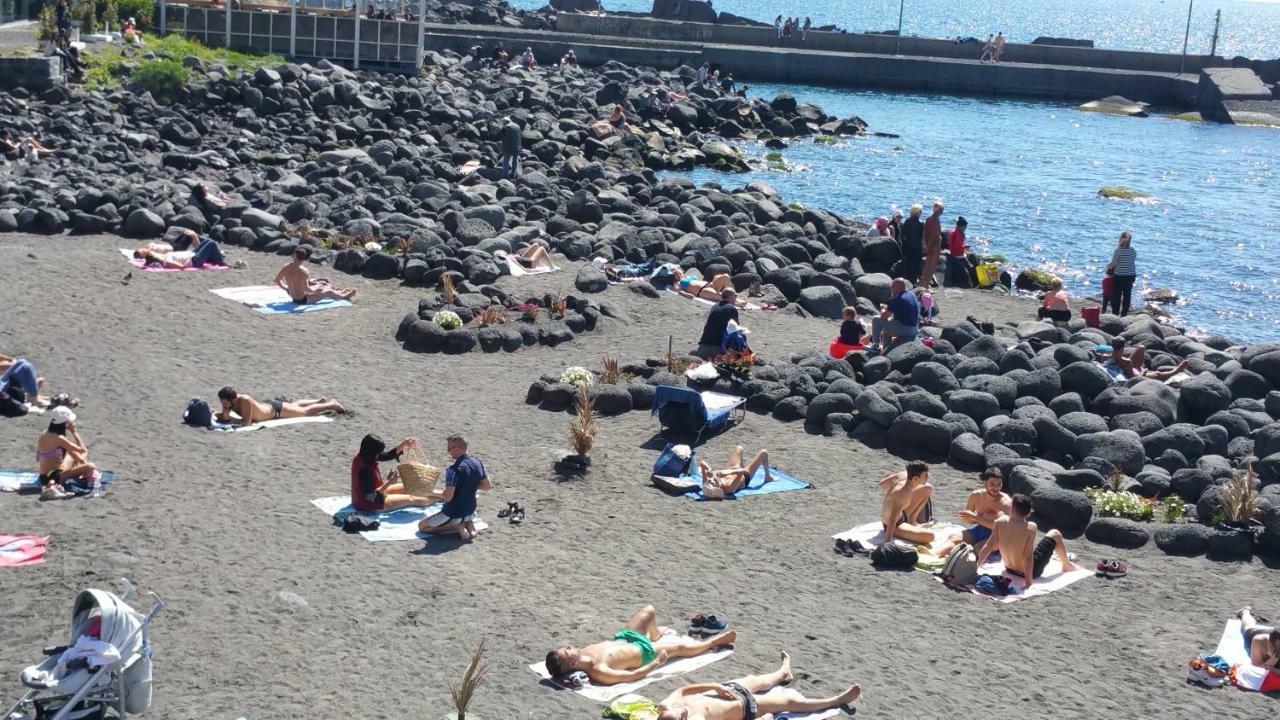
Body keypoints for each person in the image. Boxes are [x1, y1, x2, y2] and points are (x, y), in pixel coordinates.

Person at [544, 605, 737, 686]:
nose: (569, 645)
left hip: (626, 637)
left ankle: (655, 634)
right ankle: (715, 640)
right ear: (571, 664)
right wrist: (656, 663)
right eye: (567, 651)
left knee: (649, 610)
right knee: (680, 648)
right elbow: (632, 676)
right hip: (643, 652)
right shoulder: (598, 670)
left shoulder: (583, 652)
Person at [654, 651, 860, 720]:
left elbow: (683, 689)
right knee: (788, 701)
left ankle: (783, 671)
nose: (683, 712)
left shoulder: (665, 707)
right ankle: (836, 700)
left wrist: (715, 686)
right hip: (744, 705)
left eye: (679, 711)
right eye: (682, 717)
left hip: (727, 688)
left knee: (756, 678)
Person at [974, 494, 1078, 588]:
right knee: (1055, 533)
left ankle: (1066, 564)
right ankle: (1066, 565)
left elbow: (989, 546)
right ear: (1028, 513)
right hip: (1031, 572)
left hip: (1008, 568)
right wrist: (1029, 582)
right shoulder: (1030, 527)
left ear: (1012, 509)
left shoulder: (1000, 521)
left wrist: (976, 567)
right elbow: (1027, 556)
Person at [418, 435, 491, 541]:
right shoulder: (478, 463)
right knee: (467, 519)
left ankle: (455, 527)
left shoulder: (453, 470)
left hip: (453, 512)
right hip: (470, 509)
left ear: (456, 448)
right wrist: (469, 487)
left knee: (422, 526)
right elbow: (487, 486)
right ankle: (470, 529)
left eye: (449, 449)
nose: (448, 452)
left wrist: (431, 492)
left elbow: (448, 497)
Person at [934, 468, 1012, 558]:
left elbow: (1001, 528)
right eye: (992, 484)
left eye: (999, 484)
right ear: (985, 482)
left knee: (978, 549)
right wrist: (966, 517)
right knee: (953, 538)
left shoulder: (1005, 502)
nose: (996, 488)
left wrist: (976, 517)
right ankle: (932, 556)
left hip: (999, 535)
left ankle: (957, 561)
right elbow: (969, 521)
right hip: (980, 529)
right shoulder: (976, 496)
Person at [351, 435, 440, 512]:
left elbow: (388, 455)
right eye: (378, 453)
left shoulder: (363, 455)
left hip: (375, 492)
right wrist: (389, 482)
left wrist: (404, 443)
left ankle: (443, 494)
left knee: (412, 486)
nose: (379, 455)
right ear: (373, 452)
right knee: (412, 498)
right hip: (370, 504)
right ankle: (442, 499)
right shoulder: (365, 471)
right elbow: (371, 497)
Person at [36, 407, 99, 501]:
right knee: (90, 465)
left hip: (45, 474)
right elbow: (83, 450)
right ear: (65, 423)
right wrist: (74, 431)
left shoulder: (44, 433)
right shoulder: (59, 438)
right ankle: (52, 486)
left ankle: (53, 485)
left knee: (73, 455)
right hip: (53, 476)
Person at [215, 386, 346, 427]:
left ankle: (331, 404)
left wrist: (229, 418)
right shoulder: (229, 403)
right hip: (271, 407)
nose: (223, 405)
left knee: (305, 412)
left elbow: (246, 423)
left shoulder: (245, 400)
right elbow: (223, 416)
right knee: (295, 405)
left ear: (232, 399)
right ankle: (319, 400)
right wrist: (218, 414)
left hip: (277, 411)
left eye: (224, 402)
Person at [877, 461, 935, 545]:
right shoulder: (904, 493)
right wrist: (887, 542)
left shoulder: (903, 475)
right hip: (894, 524)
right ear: (915, 479)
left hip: (901, 513)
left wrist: (891, 496)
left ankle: (912, 520)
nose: (927, 477)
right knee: (930, 536)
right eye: (925, 476)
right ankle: (904, 528)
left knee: (928, 488)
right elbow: (892, 519)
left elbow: (882, 484)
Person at [274, 246, 357, 304]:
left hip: (292, 296)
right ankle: (345, 296)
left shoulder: (286, 267)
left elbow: (277, 280)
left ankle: (341, 292)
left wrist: (287, 289)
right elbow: (307, 289)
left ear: (294, 256)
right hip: (302, 300)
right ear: (303, 258)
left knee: (318, 283)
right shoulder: (304, 271)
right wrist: (317, 290)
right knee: (328, 292)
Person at [696, 445, 770, 499]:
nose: (711, 479)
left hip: (732, 469)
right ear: (717, 487)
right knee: (764, 453)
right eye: (712, 482)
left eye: (709, 481)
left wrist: (708, 469)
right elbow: (741, 471)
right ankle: (768, 476)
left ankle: (732, 468)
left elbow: (702, 463)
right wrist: (725, 472)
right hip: (744, 476)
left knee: (739, 448)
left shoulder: (707, 483)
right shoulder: (729, 489)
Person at [868, 278, 919, 352]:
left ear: (895, 288)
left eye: (892, 287)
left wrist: (882, 308)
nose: (891, 289)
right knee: (887, 330)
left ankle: (875, 345)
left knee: (876, 319)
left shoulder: (898, 299)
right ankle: (886, 351)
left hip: (906, 329)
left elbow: (884, 316)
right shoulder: (911, 294)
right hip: (915, 328)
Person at [133, 231, 226, 269]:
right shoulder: (166, 260)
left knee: (208, 241)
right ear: (155, 257)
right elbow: (182, 266)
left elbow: (148, 260)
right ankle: (221, 261)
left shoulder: (163, 257)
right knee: (211, 243)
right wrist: (188, 259)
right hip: (194, 260)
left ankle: (215, 257)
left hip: (191, 254)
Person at [696, 288, 742, 358]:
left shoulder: (715, 306)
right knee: (739, 336)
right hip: (717, 348)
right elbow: (736, 327)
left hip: (703, 346)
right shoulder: (731, 309)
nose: (736, 298)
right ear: (730, 296)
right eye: (735, 296)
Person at [1107, 230, 1137, 316]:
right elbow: (1131, 261)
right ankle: (1124, 313)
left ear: (1121, 239)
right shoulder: (1133, 250)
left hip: (1119, 275)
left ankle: (1115, 312)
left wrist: (1107, 266)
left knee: (1117, 295)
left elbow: (1114, 263)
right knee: (1127, 295)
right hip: (1131, 275)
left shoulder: (1118, 250)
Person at [919, 200, 944, 288]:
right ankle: (925, 285)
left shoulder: (929, 219)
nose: (942, 212)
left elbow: (925, 233)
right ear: (937, 210)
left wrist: (925, 244)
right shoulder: (935, 220)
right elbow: (934, 236)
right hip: (934, 246)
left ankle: (923, 283)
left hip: (930, 244)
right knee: (931, 267)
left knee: (927, 265)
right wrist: (928, 246)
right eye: (941, 210)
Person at [898, 203, 924, 283]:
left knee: (908, 264)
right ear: (917, 212)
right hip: (917, 247)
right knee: (916, 265)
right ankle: (914, 281)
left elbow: (902, 234)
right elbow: (922, 236)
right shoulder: (921, 223)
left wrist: (903, 244)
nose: (921, 213)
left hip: (907, 246)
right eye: (920, 211)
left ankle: (906, 280)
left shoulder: (907, 221)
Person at [944, 216, 970, 288]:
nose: (965, 228)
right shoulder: (958, 234)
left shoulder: (954, 231)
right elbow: (958, 247)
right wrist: (965, 246)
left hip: (953, 251)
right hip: (956, 254)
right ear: (962, 226)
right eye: (965, 227)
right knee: (970, 265)